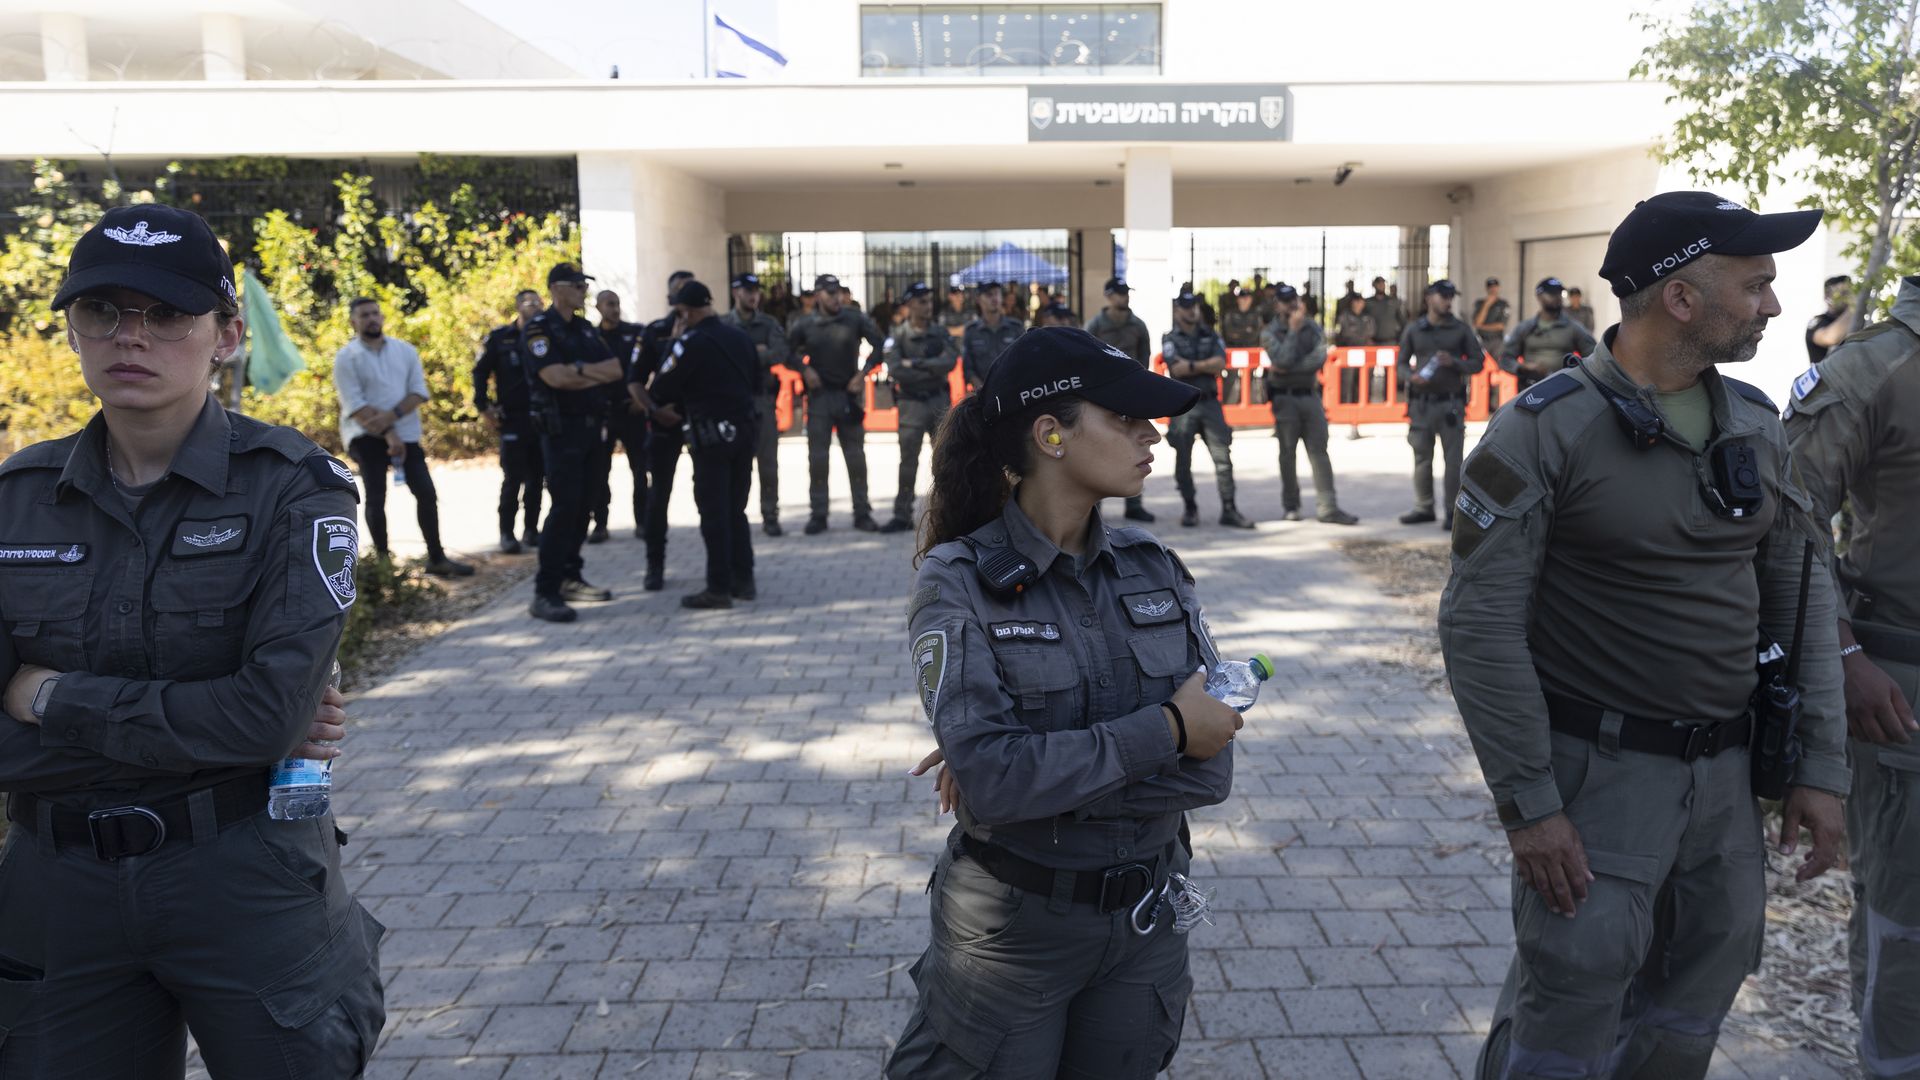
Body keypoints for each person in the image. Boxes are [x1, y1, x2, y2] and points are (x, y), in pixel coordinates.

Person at [1444, 191, 1848, 1080]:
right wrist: (1530, 806)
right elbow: (1478, 627)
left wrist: (1821, 768)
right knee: (1567, 1011)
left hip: (1727, 784)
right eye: (1755, 286)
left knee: (1690, 1012)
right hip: (1598, 786)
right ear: (1681, 298)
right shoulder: (1544, 431)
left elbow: (1800, 597)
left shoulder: (1755, 424)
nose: (1774, 305)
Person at [0, 203, 385, 1074]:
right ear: (73, 329)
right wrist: (210, 731)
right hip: (58, 892)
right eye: (102, 310)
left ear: (226, 336)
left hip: (243, 878)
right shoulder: (15, 500)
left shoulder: (294, 488)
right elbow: (255, 724)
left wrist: (46, 695)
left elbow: (264, 720)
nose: (131, 336)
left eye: (168, 313)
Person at [887, 326, 1240, 1079]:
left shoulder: (1154, 567)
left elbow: (1211, 771)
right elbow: (998, 781)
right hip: (1011, 936)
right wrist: (1169, 729)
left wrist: (1037, 769)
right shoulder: (958, 580)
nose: (1152, 435)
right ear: (1051, 434)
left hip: (1145, 922)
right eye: (1126, 417)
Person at [1782, 273, 1920, 1078]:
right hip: (1904, 701)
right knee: (1909, 929)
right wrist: (1842, 655)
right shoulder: (1876, 367)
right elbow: (1787, 518)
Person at [332, 297, 473, 578]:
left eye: (375, 313)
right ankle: (384, 566)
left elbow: (418, 392)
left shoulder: (405, 351)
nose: (371, 319)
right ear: (353, 322)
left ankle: (437, 557)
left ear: (382, 317)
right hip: (364, 435)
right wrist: (388, 432)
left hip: (406, 435)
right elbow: (355, 406)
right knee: (376, 497)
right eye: (364, 315)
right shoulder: (346, 357)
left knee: (426, 493)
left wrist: (391, 419)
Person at [645, 280, 760, 610]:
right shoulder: (740, 337)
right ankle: (744, 580)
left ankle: (718, 587)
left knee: (714, 513)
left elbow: (661, 387)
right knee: (736, 509)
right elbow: (757, 380)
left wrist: (675, 341)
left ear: (686, 312)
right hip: (743, 432)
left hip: (710, 437)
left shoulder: (690, 342)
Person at [523, 262, 622, 622]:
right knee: (564, 507)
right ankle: (545, 591)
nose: (583, 291)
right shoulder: (539, 328)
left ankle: (570, 575)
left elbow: (614, 370)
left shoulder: (584, 328)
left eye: (584, 286)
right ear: (557, 289)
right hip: (560, 430)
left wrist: (577, 371)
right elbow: (554, 377)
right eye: (577, 286)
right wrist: (585, 373)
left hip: (592, 429)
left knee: (585, 506)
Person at [786, 273, 887, 534]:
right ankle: (818, 514)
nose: (837, 298)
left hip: (848, 395)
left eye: (839, 292)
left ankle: (862, 513)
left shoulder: (854, 318)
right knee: (818, 458)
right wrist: (804, 370)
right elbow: (786, 351)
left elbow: (879, 344)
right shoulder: (805, 323)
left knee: (855, 457)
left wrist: (863, 374)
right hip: (819, 397)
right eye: (831, 293)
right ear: (818, 295)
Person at [1263, 284, 1359, 526]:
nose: (1291, 305)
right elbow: (1281, 358)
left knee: (1319, 451)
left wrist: (1288, 368)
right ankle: (1291, 505)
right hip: (1285, 399)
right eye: (1285, 301)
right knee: (1287, 453)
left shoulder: (1313, 327)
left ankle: (1328, 507)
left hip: (1310, 396)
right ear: (1277, 305)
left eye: (1293, 299)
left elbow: (1319, 357)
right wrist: (1293, 332)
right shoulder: (1270, 332)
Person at [1396, 279, 1483, 528]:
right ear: (1429, 298)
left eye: (1451, 297)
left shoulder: (1461, 329)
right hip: (1421, 404)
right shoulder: (1414, 329)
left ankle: (1452, 512)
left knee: (1453, 461)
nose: (1448, 301)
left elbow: (1478, 362)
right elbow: (1401, 363)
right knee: (1422, 458)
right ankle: (1424, 507)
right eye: (1443, 296)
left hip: (1450, 404)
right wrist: (1410, 377)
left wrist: (1454, 363)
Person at [1163, 289, 1253, 529]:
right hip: (1184, 405)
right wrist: (1205, 365)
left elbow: (1220, 363)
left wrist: (1192, 365)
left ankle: (1229, 509)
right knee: (1183, 459)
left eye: (1194, 306)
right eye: (1186, 307)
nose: (1192, 311)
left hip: (1210, 403)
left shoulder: (1211, 334)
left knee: (1223, 458)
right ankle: (1190, 508)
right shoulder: (1171, 338)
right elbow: (1176, 368)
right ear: (1177, 311)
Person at [630, 271, 696, 590]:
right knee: (659, 495)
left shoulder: (708, 331)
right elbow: (634, 381)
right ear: (670, 297)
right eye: (680, 290)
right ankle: (654, 565)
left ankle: (722, 568)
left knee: (710, 492)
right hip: (663, 421)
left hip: (698, 419)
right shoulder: (654, 332)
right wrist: (654, 410)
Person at [882, 281, 961, 534]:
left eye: (929, 301)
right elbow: (896, 369)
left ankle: (950, 513)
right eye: (922, 301)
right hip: (911, 404)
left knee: (945, 459)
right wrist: (930, 368)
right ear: (909, 305)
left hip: (938, 401)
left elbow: (950, 361)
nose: (928, 306)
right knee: (908, 460)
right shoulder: (897, 336)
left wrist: (916, 363)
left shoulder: (940, 333)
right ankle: (902, 513)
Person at [473, 288, 547, 554]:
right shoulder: (500, 337)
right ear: (518, 307)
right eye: (529, 302)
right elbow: (480, 372)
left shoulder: (546, 335)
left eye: (538, 302)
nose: (535, 306)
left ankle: (531, 530)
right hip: (513, 417)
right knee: (513, 478)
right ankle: (507, 533)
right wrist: (484, 406)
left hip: (541, 416)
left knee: (537, 478)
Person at [723, 273, 791, 537]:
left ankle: (770, 515)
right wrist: (757, 351)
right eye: (747, 290)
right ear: (735, 292)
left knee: (768, 463)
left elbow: (780, 353)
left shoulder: (768, 323)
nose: (754, 295)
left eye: (756, 291)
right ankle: (733, 514)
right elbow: (721, 357)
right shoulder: (724, 323)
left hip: (762, 400)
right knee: (735, 463)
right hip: (732, 403)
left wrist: (743, 353)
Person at [1085, 277, 1157, 523]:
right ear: (1108, 296)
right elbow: (1086, 360)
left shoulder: (1138, 325)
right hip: (1103, 397)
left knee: (1136, 447)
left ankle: (1135, 504)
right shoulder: (1095, 325)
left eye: (1126, 292)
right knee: (1098, 449)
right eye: (1119, 293)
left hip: (1131, 395)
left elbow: (1144, 359)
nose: (1124, 297)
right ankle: (1094, 507)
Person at [591, 289, 647, 545]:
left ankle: (642, 521)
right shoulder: (591, 337)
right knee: (600, 471)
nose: (614, 309)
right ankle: (600, 524)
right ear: (598, 307)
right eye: (609, 304)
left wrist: (642, 398)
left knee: (640, 469)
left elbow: (649, 366)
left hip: (631, 410)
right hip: (603, 412)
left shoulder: (635, 333)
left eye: (617, 304)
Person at [1499, 277, 1598, 390]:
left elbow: (1594, 356)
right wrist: (1523, 367)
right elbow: (1505, 359)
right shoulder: (1525, 328)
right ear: (1539, 297)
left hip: (1562, 389)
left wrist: (1576, 372)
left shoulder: (1573, 328)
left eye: (1559, 294)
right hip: (1530, 389)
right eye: (1551, 294)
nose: (1557, 297)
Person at [961, 281, 1025, 392]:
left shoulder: (1016, 328)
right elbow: (968, 368)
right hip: (983, 393)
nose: (994, 298)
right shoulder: (972, 331)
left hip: (1012, 391)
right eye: (989, 295)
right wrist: (982, 390)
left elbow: (1024, 360)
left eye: (997, 293)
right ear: (978, 299)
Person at [1807, 274, 1856, 364]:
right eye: (1842, 293)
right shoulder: (1819, 321)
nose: (1847, 297)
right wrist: (1854, 307)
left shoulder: (1854, 319)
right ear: (1827, 296)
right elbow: (1830, 338)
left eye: (1849, 293)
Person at [1472, 276, 1510, 357]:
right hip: (1482, 339)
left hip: (1497, 340)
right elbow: (1477, 322)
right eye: (1490, 287)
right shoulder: (1479, 303)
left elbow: (1501, 326)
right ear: (1486, 289)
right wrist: (1486, 305)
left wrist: (1482, 326)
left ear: (1498, 288)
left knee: (1497, 362)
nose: (1493, 289)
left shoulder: (1503, 304)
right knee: (1480, 361)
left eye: (1494, 287)